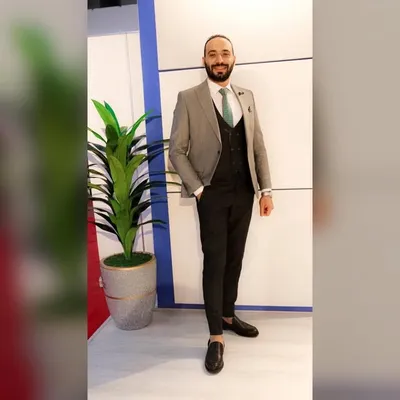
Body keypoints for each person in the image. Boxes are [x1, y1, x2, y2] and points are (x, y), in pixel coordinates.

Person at [169, 34, 274, 374]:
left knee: (235, 259)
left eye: (224, 53)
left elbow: (257, 147)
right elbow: (176, 151)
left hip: (244, 192)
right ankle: (216, 335)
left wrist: (265, 190)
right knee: (215, 262)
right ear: (204, 60)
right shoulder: (189, 98)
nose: (219, 59)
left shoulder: (247, 96)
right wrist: (199, 189)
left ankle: (228, 315)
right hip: (211, 194)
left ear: (233, 58)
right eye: (212, 54)